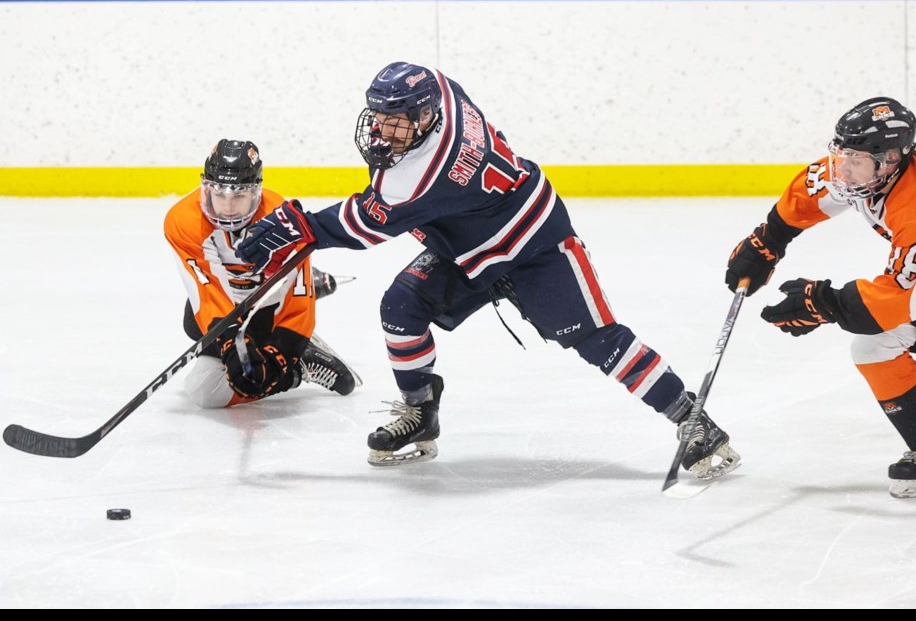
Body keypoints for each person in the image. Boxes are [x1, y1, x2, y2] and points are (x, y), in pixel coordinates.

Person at [233, 62, 741, 477]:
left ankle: (693, 421)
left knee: (598, 341)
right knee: (401, 306)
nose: (383, 130)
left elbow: (365, 224)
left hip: (536, 246)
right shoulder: (445, 94)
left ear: (426, 116)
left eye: (396, 120)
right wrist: (303, 229)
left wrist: (297, 224)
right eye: (378, 117)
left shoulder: (420, 174)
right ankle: (420, 413)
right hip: (469, 249)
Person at [725, 96, 916, 499]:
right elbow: (813, 192)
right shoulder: (875, 170)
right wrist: (769, 239)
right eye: (841, 154)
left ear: (888, 159)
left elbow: (902, 301)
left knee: (879, 338)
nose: (841, 168)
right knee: (874, 348)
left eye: (854, 159)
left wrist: (826, 302)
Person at [164, 138, 360, 408]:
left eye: (239, 196)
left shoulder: (282, 221)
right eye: (219, 194)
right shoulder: (182, 221)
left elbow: (298, 298)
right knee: (204, 390)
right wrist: (231, 341)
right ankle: (298, 365)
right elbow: (205, 290)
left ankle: (302, 362)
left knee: (262, 368)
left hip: (267, 304)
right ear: (206, 190)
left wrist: (286, 352)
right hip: (229, 298)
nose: (228, 206)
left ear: (256, 191)